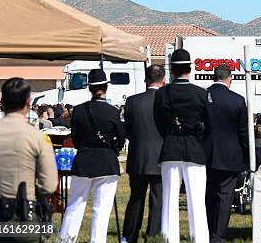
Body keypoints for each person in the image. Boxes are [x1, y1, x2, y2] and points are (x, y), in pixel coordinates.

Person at [0, 78, 58, 242]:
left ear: (2, 101)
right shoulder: (38, 137)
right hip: (23, 216)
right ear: (28, 101)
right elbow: (49, 184)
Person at [59, 69, 126, 243]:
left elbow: (75, 137)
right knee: (101, 210)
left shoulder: (79, 111)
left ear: (89, 89)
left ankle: (66, 239)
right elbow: (120, 137)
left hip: (84, 160)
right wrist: (113, 150)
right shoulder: (113, 111)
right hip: (107, 162)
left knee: (75, 205)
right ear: (106, 88)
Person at [154, 49, 211, 243]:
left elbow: (158, 122)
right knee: (197, 201)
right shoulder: (201, 93)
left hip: (170, 147)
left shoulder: (162, 94)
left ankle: (169, 239)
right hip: (194, 148)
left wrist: (171, 135)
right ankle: (200, 239)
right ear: (190, 68)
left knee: (169, 200)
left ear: (172, 70)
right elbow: (209, 124)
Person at [204, 65, 249, 243]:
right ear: (229, 79)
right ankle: (218, 234)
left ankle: (207, 230)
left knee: (208, 195)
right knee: (225, 197)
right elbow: (243, 132)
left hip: (206, 154)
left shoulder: (203, 96)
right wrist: (246, 154)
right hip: (230, 155)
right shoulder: (237, 100)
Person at [122, 65, 165, 243]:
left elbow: (128, 130)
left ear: (145, 79)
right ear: (163, 80)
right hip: (161, 157)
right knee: (158, 201)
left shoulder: (132, 101)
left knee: (136, 199)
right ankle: (152, 235)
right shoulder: (167, 101)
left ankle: (130, 235)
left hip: (138, 156)